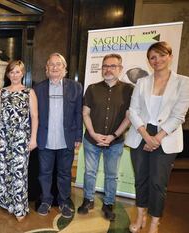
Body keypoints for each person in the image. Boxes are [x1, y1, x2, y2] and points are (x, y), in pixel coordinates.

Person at [125, 41, 189, 233]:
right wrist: (146, 135)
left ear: (170, 56)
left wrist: (157, 138)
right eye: (153, 57)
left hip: (166, 137)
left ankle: (154, 222)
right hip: (141, 134)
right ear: (149, 61)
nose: (157, 60)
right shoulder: (143, 82)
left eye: (161, 55)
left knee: (158, 183)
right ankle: (140, 216)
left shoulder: (183, 82)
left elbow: (179, 114)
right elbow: (133, 110)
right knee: (141, 180)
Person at [77, 53, 133, 221]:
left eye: (112, 66)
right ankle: (88, 200)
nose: (108, 69)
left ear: (120, 69)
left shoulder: (129, 90)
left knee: (111, 174)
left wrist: (113, 136)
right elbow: (85, 113)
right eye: (105, 66)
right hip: (92, 140)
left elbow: (129, 117)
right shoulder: (92, 88)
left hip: (115, 142)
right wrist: (93, 134)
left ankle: (108, 204)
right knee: (90, 172)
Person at [34, 53, 83, 218]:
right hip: (44, 139)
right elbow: (33, 116)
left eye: (58, 64)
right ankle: (46, 200)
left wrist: (78, 136)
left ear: (64, 68)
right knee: (44, 173)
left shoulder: (76, 87)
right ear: (46, 69)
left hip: (66, 139)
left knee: (65, 173)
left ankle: (64, 201)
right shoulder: (38, 89)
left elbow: (78, 113)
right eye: (51, 65)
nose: (55, 67)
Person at [0, 60, 38, 222]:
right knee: (4, 172)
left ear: (23, 73)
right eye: (12, 72)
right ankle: (7, 203)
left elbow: (34, 117)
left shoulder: (29, 92)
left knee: (19, 173)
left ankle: (19, 208)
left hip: (21, 138)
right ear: (8, 74)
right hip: (3, 137)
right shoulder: (2, 92)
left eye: (17, 71)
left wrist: (33, 139)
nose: (14, 75)